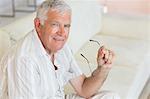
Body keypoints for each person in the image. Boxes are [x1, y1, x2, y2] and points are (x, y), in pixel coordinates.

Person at [0, 0, 120, 99]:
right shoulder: (25, 59)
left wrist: (103, 69)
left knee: (112, 97)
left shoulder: (61, 47)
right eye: (55, 24)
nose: (62, 33)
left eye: (66, 26)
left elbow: (83, 88)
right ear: (38, 25)